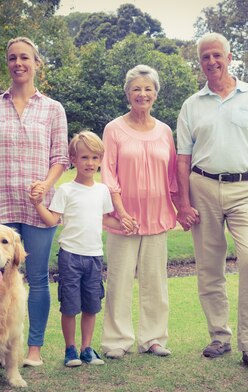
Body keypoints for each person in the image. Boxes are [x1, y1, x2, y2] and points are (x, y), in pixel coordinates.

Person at [176, 32, 248, 371]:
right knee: (209, 265)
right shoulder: (192, 105)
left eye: (217, 55)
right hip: (202, 186)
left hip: (246, 189)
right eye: (205, 56)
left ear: (229, 56)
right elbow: (182, 157)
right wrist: (182, 202)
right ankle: (219, 336)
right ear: (200, 61)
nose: (211, 61)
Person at [0, 36, 69, 367]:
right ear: (7, 63)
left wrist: (46, 184)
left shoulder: (53, 108)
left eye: (25, 57)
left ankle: (33, 350)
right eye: (12, 58)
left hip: (39, 209)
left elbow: (60, 158)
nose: (18, 63)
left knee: (37, 278)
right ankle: (1, 347)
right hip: (1, 208)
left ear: (36, 63)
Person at [29, 131, 136, 367]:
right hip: (70, 257)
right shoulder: (65, 190)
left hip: (94, 257)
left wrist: (125, 224)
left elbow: (106, 220)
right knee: (70, 306)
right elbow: (52, 220)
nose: (90, 163)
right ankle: (71, 350)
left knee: (91, 305)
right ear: (73, 159)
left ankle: (87, 348)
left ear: (100, 160)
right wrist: (37, 204)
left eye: (95, 158)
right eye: (85, 157)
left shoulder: (102, 191)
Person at [100, 64, 179, 360]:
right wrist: (120, 212)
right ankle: (116, 341)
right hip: (125, 220)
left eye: (148, 88)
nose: (142, 94)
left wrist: (179, 208)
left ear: (156, 94)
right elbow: (108, 174)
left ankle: (154, 339)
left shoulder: (164, 131)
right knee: (119, 281)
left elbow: (171, 176)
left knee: (155, 282)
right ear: (127, 94)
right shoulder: (113, 129)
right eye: (136, 89)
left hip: (157, 217)